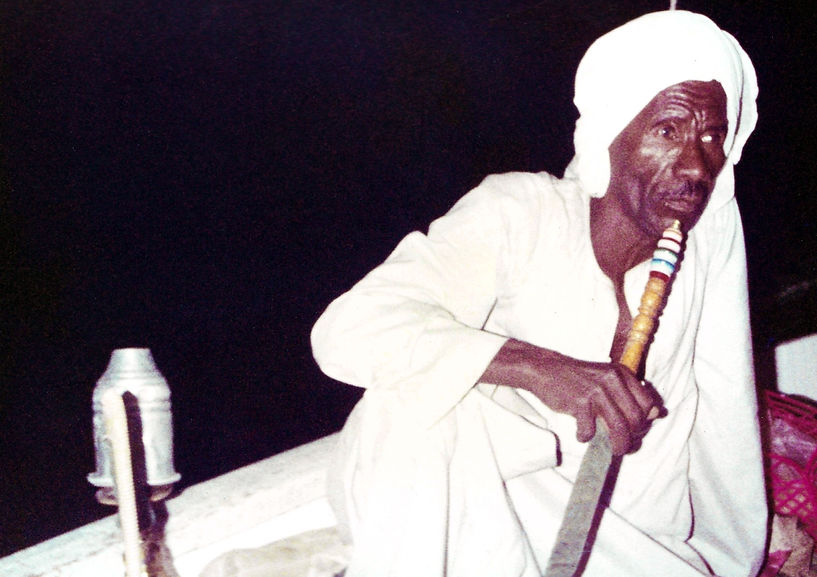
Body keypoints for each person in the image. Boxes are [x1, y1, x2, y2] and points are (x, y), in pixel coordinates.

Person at [311, 10, 766, 577]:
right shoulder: (521, 214)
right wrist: (543, 369)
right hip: (487, 512)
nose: (697, 164)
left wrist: (740, 549)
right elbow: (345, 332)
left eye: (712, 134)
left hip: (634, 549)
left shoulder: (705, 247)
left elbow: (725, 419)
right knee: (414, 404)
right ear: (609, 134)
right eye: (668, 130)